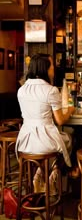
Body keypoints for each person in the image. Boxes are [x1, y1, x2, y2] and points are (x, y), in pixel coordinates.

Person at [16, 53, 75, 193]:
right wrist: (70, 110)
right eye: (52, 66)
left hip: (25, 140)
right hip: (45, 139)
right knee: (69, 139)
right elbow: (60, 120)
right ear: (45, 69)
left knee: (48, 146)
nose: (54, 68)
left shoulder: (21, 90)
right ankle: (52, 176)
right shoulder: (51, 90)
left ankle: (38, 176)